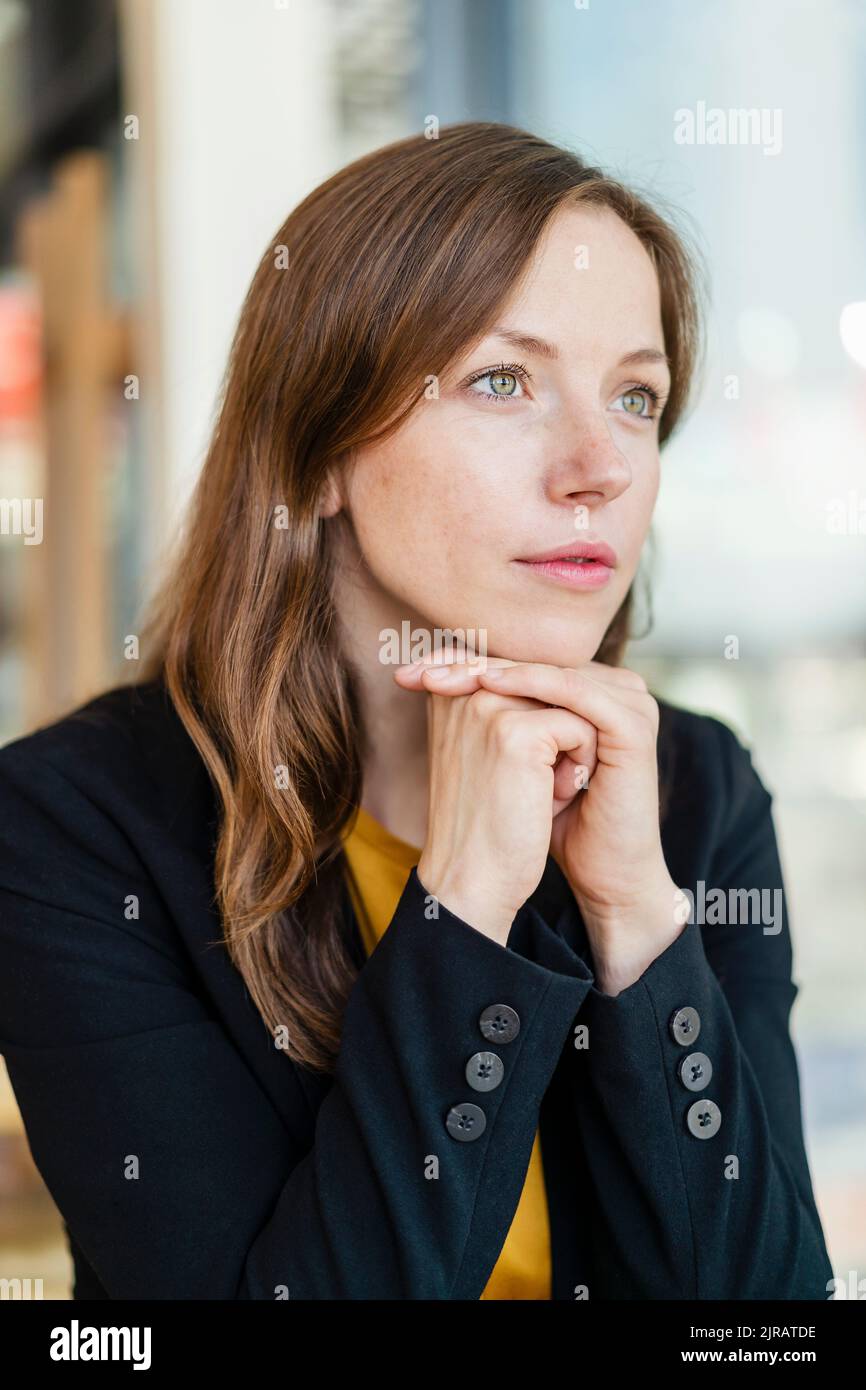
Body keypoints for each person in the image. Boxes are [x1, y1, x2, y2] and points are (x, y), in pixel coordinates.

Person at [0, 122, 833, 1299]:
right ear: (319, 450)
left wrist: (639, 923)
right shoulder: (72, 827)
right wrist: (466, 905)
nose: (597, 463)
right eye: (503, 381)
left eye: (635, 397)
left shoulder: (691, 791)